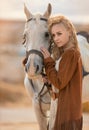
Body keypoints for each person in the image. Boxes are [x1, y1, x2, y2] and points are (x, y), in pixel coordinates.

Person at [40, 15, 83, 130]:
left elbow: (59, 82)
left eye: (59, 33)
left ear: (69, 32)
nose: (56, 38)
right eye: (53, 35)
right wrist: (50, 81)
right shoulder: (66, 54)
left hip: (66, 112)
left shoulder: (71, 54)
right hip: (59, 106)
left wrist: (48, 62)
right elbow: (62, 82)